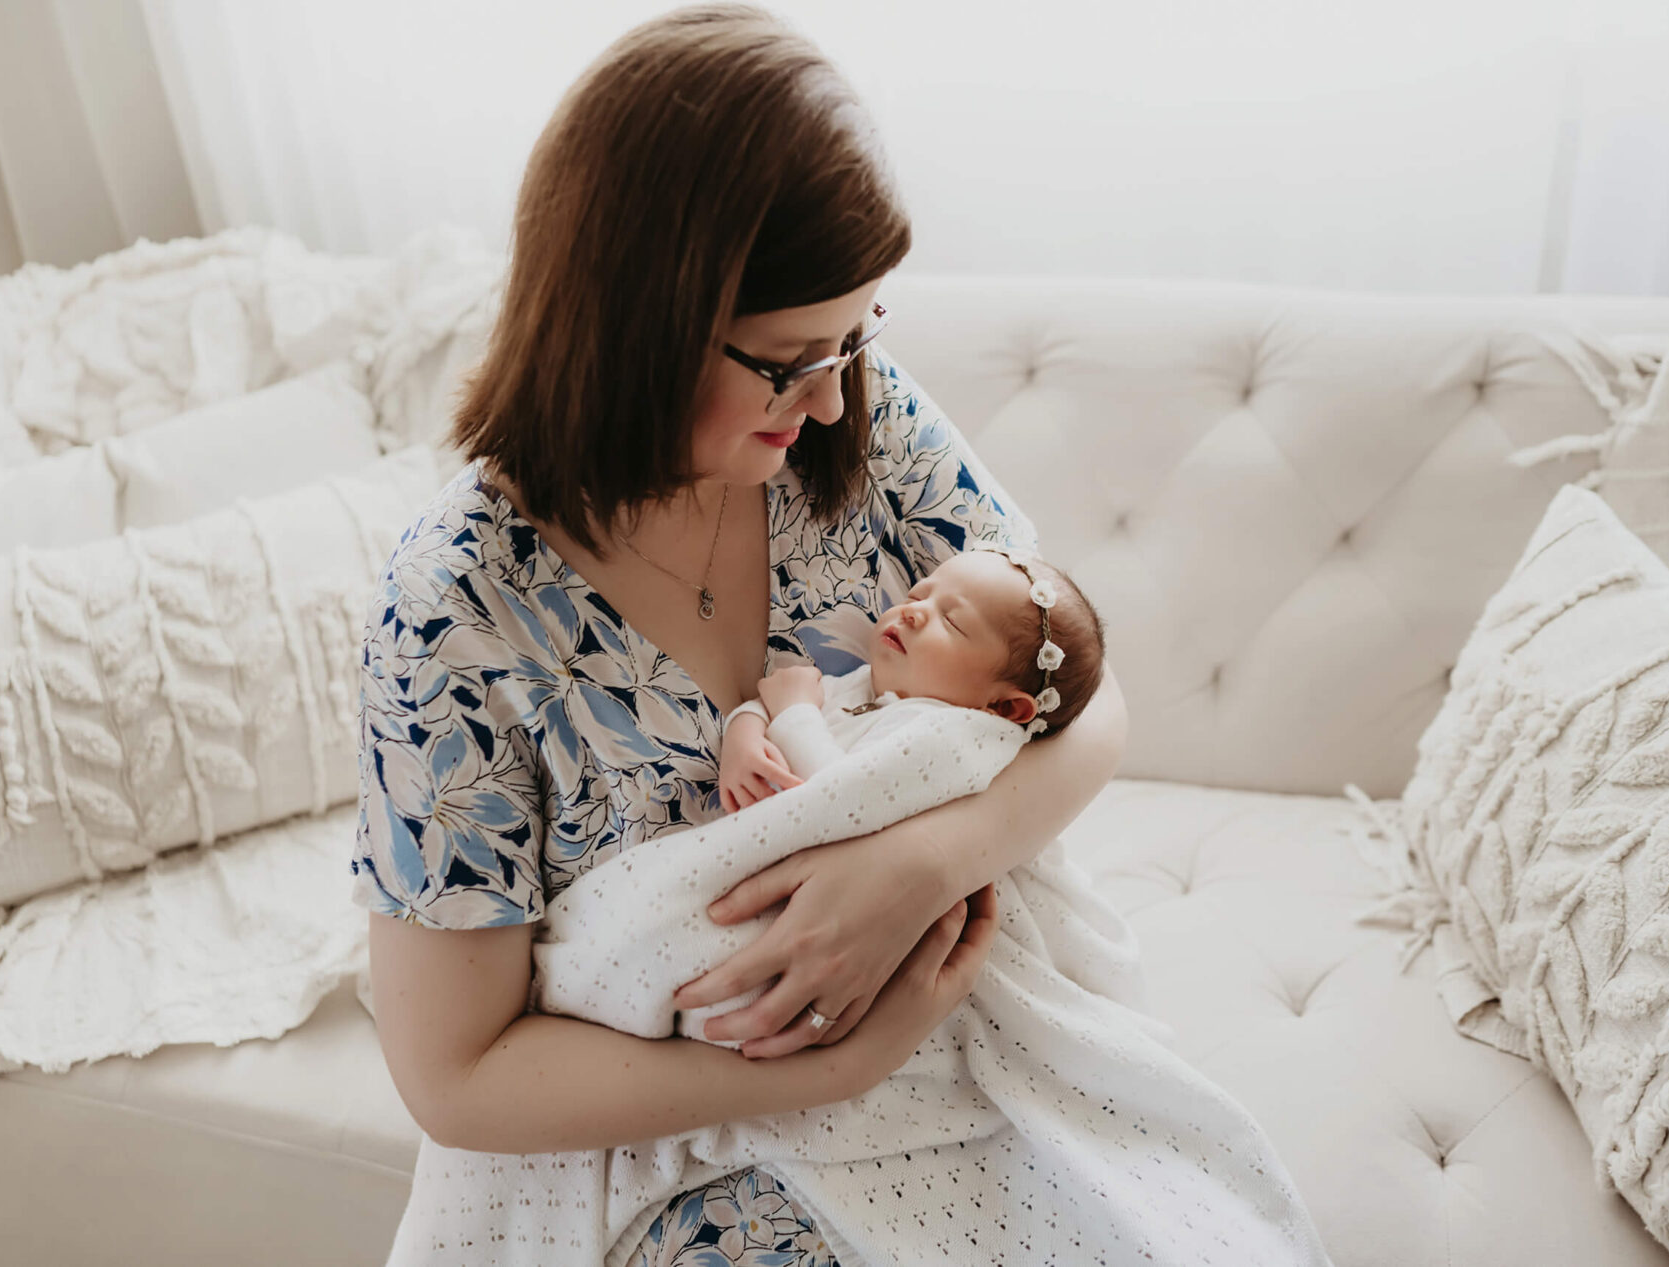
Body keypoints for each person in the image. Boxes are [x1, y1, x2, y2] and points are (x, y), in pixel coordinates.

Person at [352, 6, 1128, 1263]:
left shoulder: (859, 427)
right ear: (637, 323)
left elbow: (1083, 699)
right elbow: (456, 1073)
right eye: (785, 358)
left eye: (854, 337)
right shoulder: (456, 613)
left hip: (950, 1049)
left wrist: (925, 863)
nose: (828, 399)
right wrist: (814, 1072)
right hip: (678, 1142)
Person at [718, 545, 1104, 817]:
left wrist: (795, 711)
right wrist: (745, 733)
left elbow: (844, 804)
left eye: (951, 621)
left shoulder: (948, 737)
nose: (913, 612)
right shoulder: (867, 684)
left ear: (1004, 707)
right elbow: (772, 705)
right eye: (918, 595)